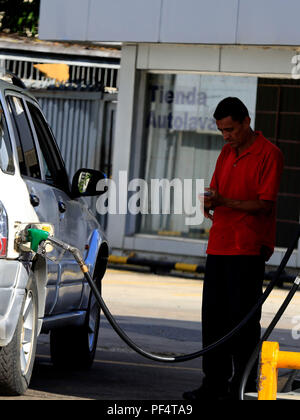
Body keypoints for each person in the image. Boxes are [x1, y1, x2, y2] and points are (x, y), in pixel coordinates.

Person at [183, 97, 284, 401]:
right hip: (220, 245)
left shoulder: (269, 154)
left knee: (242, 322)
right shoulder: (226, 153)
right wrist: (211, 200)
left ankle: (244, 384)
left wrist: (225, 202)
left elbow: (264, 205)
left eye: (230, 130)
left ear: (246, 122)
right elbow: (218, 190)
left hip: (248, 249)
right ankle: (213, 383)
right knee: (213, 320)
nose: (226, 136)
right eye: (221, 131)